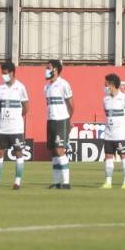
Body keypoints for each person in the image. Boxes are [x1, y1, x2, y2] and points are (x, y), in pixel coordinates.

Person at [0, 62, 27, 190]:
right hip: (3, 128)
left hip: (16, 127)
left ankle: (17, 182)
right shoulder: (0, 88)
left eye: (5, 73)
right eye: (2, 73)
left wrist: (15, 116)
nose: (3, 75)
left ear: (12, 73)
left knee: (18, 153)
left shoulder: (20, 87)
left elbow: (26, 107)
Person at [44, 59, 74, 190]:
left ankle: (66, 182)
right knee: (53, 152)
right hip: (50, 120)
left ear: (55, 69)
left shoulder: (64, 84)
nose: (46, 70)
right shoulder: (46, 87)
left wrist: (67, 120)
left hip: (61, 120)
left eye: (48, 67)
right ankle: (57, 182)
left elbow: (71, 105)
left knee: (60, 150)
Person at [101, 73, 125, 190]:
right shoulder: (105, 99)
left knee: (123, 156)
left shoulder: (124, 98)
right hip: (108, 134)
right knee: (108, 156)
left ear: (112, 84)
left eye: (106, 84)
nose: (104, 86)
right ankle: (108, 182)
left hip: (120, 135)